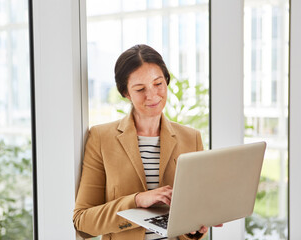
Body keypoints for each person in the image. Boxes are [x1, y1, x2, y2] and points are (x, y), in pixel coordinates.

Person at [73, 44, 222, 240]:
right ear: (126, 93)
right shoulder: (101, 138)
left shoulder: (191, 138)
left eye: (158, 84)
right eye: (140, 89)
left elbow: (194, 215)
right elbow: (83, 221)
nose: (152, 95)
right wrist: (136, 201)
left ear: (166, 81)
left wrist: (194, 229)